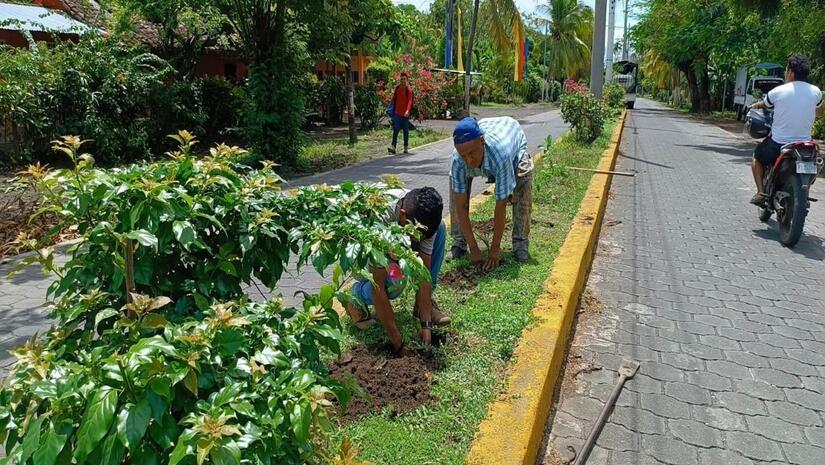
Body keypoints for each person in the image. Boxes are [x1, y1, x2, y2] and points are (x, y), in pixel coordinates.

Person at [345, 187, 451, 355]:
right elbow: (377, 285)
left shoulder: (425, 218)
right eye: (417, 235)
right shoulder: (379, 220)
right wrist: (398, 344)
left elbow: (424, 272)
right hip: (357, 255)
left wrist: (426, 326)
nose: (419, 241)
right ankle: (355, 295)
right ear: (402, 214)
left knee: (441, 227)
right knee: (396, 280)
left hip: (395, 244)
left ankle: (424, 305)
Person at [449, 116, 533, 269]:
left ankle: (520, 243)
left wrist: (495, 249)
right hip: (490, 130)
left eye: (471, 153)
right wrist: (473, 248)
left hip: (511, 137)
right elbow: (460, 207)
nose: (468, 160)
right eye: (463, 155)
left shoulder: (501, 155)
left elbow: (501, 204)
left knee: (523, 181)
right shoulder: (457, 161)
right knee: (455, 192)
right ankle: (459, 243)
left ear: (482, 141)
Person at [749, 55, 822, 205]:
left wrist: (756, 105)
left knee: (757, 157)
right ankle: (805, 193)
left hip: (778, 143)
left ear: (791, 72)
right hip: (805, 145)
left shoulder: (777, 91)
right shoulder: (816, 92)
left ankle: (760, 193)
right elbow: (819, 111)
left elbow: (765, 104)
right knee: (811, 164)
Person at [388, 72, 414, 155]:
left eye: (404, 79)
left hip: (405, 115)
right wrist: (390, 107)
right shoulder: (397, 88)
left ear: (407, 80)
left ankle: (405, 147)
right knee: (396, 129)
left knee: (406, 131)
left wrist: (407, 110)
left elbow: (410, 101)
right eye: (401, 79)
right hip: (397, 114)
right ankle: (393, 147)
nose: (403, 81)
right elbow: (394, 98)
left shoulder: (408, 90)